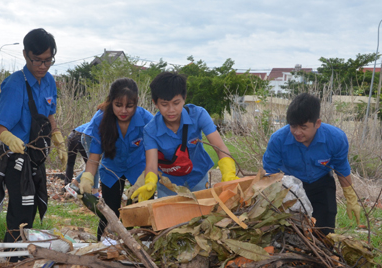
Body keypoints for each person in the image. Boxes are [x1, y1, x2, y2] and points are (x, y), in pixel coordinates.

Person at [0, 28, 67, 243]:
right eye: (37, 60)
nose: (43, 66)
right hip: (16, 157)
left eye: (48, 60)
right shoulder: (15, 85)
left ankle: (24, 256)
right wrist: (10, 138)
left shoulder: (49, 81)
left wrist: (57, 138)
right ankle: (13, 257)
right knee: (20, 211)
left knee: (33, 206)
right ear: (25, 55)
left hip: (36, 156)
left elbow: (50, 115)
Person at [132, 72, 239, 203]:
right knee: (169, 220)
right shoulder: (150, 130)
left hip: (198, 177)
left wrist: (228, 174)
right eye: (165, 104)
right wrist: (149, 182)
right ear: (155, 103)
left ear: (184, 98)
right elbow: (152, 166)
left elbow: (220, 148)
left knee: (201, 215)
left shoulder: (199, 115)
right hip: (168, 184)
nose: (171, 110)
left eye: (176, 103)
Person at [263, 93, 360, 235]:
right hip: (291, 187)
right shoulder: (278, 140)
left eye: (303, 127)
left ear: (317, 123)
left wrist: (351, 198)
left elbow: (341, 168)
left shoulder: (335, 138)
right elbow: (270, 171)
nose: (297, 132)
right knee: (291, 231)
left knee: (323, 230)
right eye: (293, 126)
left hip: (321, 183)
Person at [79, 78, 153, 240]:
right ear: (111, 102)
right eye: (118, 105)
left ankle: (144, 247)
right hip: (112, 169)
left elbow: (155, 152)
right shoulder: (100, 120)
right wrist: (87, 177)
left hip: (139, 168)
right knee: (109, 213)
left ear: (137, 103)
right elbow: (94, 158)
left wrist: (147, 177)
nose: (124, 111)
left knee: (142, 211)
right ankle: (103, 246)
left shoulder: (146, 119)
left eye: (129, 106)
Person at [64, 122, 99, 195]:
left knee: (70, 163)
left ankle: (67, 185)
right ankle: (94, 191)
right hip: (81, 137)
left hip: (72, 135)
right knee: (92, 165)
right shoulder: (103, 123)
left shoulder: (95, 121)